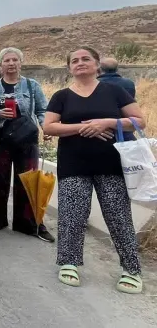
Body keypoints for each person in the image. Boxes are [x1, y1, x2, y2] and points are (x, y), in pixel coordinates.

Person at [43, 47, 144, 294]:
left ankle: (131, 269)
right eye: (74, 60)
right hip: (74, 163)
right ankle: (69, 262)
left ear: (97, 64)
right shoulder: (61, 96)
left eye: (85, 59)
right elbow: (49, 127)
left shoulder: (114, 91)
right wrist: (82, 128)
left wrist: (106, 123)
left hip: (111, 163)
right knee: (72, 216)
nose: (80, 63)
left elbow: (139, 121)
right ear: (69, 67)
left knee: (119, 217)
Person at [0, 48, 54, 242]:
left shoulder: (32, 85)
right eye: (7, 60)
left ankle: (29, 224)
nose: (11, 63)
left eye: (15, 60)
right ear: (0, 65)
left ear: (20, 63)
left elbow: (42, 109)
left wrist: (47, 128)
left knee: (28, 180)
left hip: (26, 137)